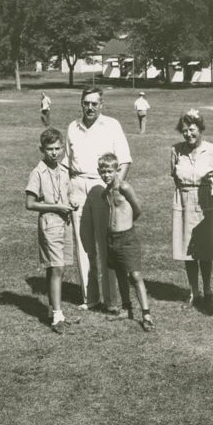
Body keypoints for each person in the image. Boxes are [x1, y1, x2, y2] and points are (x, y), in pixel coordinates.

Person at [65, 86, 132, 314]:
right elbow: (66, 163)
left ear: (101, 105)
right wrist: (68, 191)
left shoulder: (112, 125)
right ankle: (90, 297)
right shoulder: (73, 127)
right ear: (81, 103)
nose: (90, 107)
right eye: (86, 103)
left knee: (107, 246)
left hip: (103, 186)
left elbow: (124, 161)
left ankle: (111, 300)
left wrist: (115, 190)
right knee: (83, 245)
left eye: (94, 103)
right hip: (78, 187)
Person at [171, 109, 213, 308]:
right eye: (184, 130)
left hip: (205, 203)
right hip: (184, 202)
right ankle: (194, 291)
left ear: (200, 129)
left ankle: (208, 289)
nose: (188, 134)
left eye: (192, 130)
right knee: (188, 250)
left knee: (205, 249)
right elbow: (174, 176)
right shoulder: (176, 150)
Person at [25, 127, 76, 334]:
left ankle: (53, 310)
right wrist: (55, 207)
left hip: (65, 222)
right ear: (42, 150)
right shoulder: (38, 172)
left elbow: (68, 192)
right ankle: (56, 316)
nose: (54, 153)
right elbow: (29, 203)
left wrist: (71, 202)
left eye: (57, 148)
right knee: (57, 268)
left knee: (57, 267)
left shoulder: (64, 170)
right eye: (49, 149)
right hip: (50, 223)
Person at [97, 153, 154, 332]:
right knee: (120, 273)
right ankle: (126, 308)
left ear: (117, 170)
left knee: (135, 275)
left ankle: (146, 315)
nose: (106, 175)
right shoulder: (105, 193)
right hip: (111, 238)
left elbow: (138, 209)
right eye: (103, 172)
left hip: (127, 238)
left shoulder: (124, 187)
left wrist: (127, 225)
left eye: (109, 171)